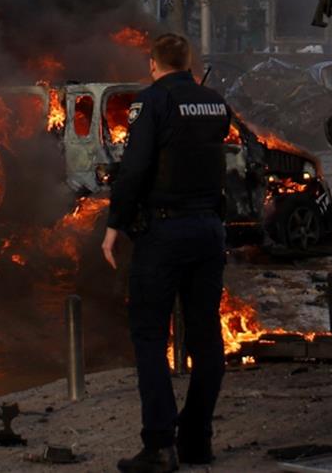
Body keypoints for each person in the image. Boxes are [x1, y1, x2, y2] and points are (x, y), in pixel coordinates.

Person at [102, 33, 231, 473]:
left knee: (150, 338)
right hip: (210, 230)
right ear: (189, 62)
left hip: (165, 231)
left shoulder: (151, 102)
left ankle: (160, 444)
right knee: (206, 338)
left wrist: (115, 224)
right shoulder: (215, 102)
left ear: (153, 64)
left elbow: (136, 167)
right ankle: (198, 440)